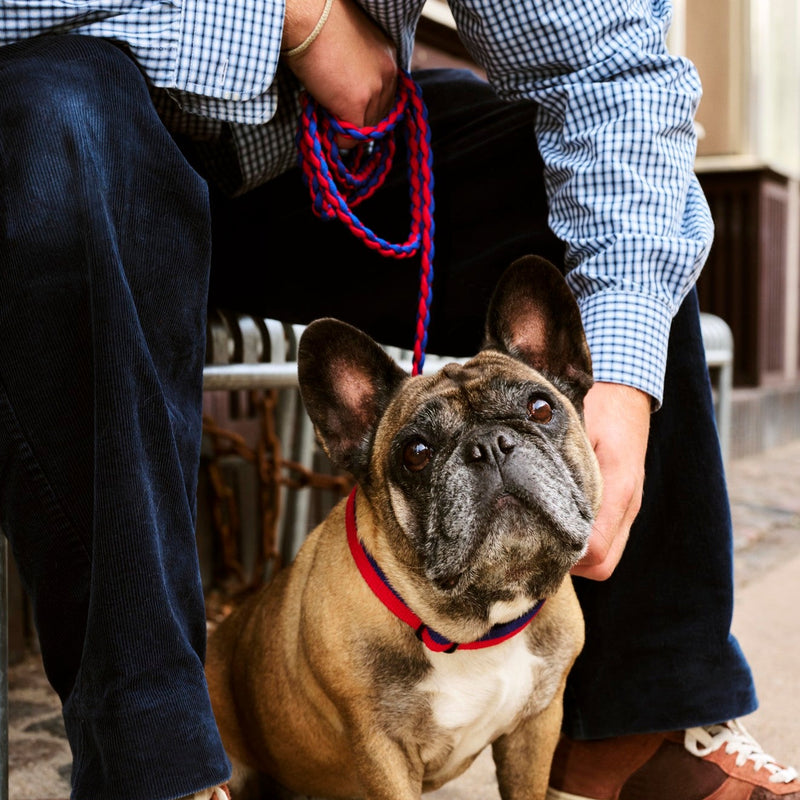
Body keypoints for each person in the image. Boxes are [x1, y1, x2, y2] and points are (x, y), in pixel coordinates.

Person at [0, 1, 796, 799]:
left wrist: (620, 385)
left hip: (323, 154)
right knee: (51, 127)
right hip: (90, 115)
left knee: (598, 181)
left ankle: (635, 726)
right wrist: (290, 13)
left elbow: (605, 65)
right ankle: (156, 763)